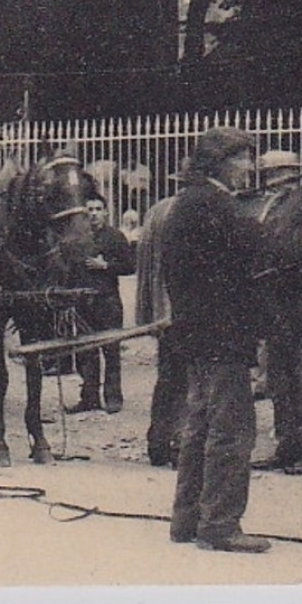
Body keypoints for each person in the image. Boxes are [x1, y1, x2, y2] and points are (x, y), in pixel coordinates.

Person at [163, 128, 302, 553]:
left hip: (196, 333)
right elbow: (271, 249)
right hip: (223, 335)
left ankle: (187, 519)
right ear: (218, 163)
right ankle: (220, 526)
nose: (249, 168)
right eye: (241, 159)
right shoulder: (216, 205)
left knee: (199, 426)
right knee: (232, 432)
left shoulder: (189, 202)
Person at [246, 150, 302, 475]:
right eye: (271, 175)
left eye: (280, 174)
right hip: (273, 305)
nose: (275, 181)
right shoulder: (269, 206)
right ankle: (286, 446)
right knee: (278, 379)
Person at [69, 193, 135, 414]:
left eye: (98, 209)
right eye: (90, 209)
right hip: (83, 303)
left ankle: (113, 398)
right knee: (86, 351)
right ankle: (89, 398)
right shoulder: (77, 239)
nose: (94, 214)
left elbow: (130, 266)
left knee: (111, 350)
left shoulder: (115, 237)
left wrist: (106, 266)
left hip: (108, 302)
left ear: (106, 212)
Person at [137, 189, 183, 468]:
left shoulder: (159, 210)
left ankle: (158, 441)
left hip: (163, 309)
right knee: (188, 379)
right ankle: (178, 441)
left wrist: (155, 309)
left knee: (167, 377)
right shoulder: (184, 212)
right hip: (183, 311)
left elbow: (149, 267)